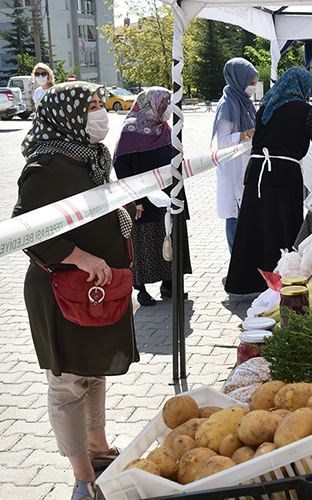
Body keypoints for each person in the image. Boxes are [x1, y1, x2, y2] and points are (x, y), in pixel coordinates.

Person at [15, 82, 139, 500]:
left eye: (100, 104)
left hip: (96, 290)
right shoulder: (47, 165)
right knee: (68, 383)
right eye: (89, 106)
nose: (100, 113)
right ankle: (84, 478)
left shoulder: (91, 157)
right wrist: (79, 256)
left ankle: (99, 448)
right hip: (61, 291)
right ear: (65, 114)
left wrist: (121, 208)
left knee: (94, 370)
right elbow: (25, 231)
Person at [225, 67, 312, 295]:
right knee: (280, 228)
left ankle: (247, 283)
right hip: (282, 174)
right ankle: (280, 283)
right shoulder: (304, 110)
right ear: (302, 86)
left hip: (257, 172)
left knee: (254, 227)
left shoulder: (267, 107)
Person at [113, 87, 192, 306]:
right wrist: (134, 201)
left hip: (169, 196)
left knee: (171, 236)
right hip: (144, 200)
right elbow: (122, 167)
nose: (167, 110)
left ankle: (170, 284)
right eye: (165, 105)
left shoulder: (165, 129)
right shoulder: (130, 131)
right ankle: (141, 289)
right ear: (152, 105)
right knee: (145, 243)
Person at [213, 57, 258, 253]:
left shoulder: (246, 103)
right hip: (232, 170)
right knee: (234, 216)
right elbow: (222, 140)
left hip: (245, 168)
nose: (253, 87)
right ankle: (235, 264)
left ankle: (244, 262)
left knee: (245, 216)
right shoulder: (227, 104)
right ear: (239, 80)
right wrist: (244, 134)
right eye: (251, 83)